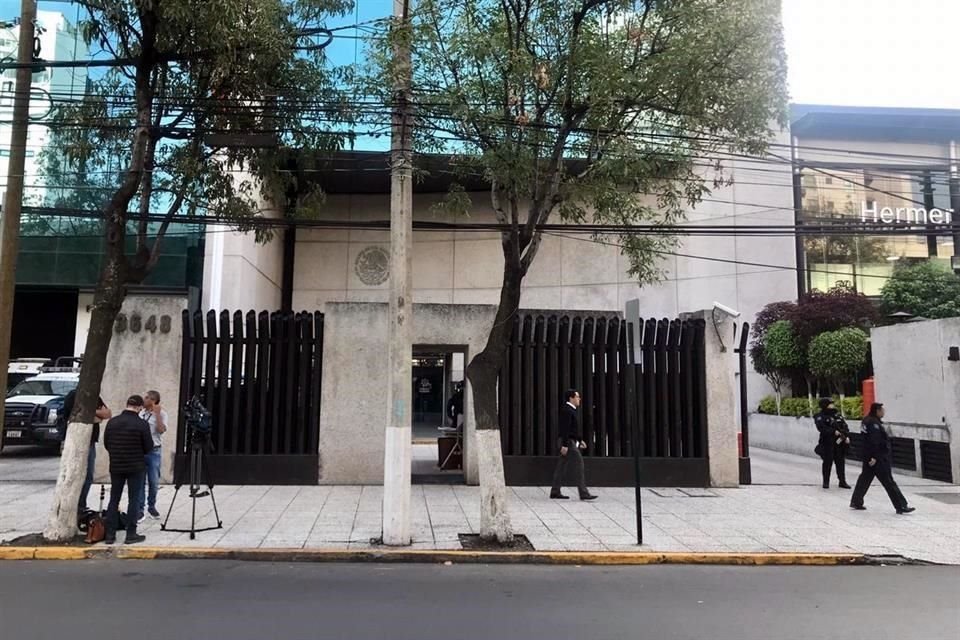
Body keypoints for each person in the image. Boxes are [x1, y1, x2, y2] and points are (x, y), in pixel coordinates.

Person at [103, 395, 153, 544]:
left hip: (116, 465)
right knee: (134, 499)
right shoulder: (141, 424)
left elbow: (107, 444)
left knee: (114, 499)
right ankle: (131, 534)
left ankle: (110, 535)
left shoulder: (112, 422)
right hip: (136, 466)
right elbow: (148, 447)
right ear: (139, 407)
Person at [850, 402, 915, 515]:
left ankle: (856, 501)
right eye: (882, 410)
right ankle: (901, 506)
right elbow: (874, 441)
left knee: (864, 480)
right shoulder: (873, 423)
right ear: (877, 411)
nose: (883, 412)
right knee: (889, 482)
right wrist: (874, 457)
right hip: (877, 458)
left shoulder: (867, 420)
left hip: (869, 456)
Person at [60, 389, 111, 515]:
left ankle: (81, 505)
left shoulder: (94, 396)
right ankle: (70, 505)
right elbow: (76, 416)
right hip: (75, 442)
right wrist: (95, 416)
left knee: (88, 475)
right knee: (72, 474)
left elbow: (107, 414)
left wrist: (90, 411)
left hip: (90, 442)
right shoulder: (73, 396)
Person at [550, 389, 598, 501]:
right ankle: (583, 493)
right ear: (571, 398)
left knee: (561, 466)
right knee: (579, 464)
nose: (579, 399)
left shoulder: (571, 410)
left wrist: (580, 440)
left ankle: (555, 491)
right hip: (567, 442)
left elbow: (572, 429)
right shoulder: (567, 410)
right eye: (577, 397)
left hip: (567, 441)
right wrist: (565, 445)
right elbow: (565, 429)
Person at [137, 390, 168, 522]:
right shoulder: (141, 413)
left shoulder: (162, 414)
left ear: (153, 401)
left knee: (153, 481)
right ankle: (140, 509)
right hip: (140, 450)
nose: (144, 399)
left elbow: (161, 430)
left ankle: (151, 506)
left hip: (154, 450)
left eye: (147, 398)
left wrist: (157, 415)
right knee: (140, 481)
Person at [814, 397, 851, 489]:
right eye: (830, 404)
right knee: (827, 463)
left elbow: (845, 426)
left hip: (839, 444)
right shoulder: (820, 416)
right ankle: (826, 482)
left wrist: (845, 435)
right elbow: (821, 428)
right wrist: (833, 432)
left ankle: (842, 481)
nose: (832, 405)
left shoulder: (837, 415)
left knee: (840, 463)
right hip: (827, 443)